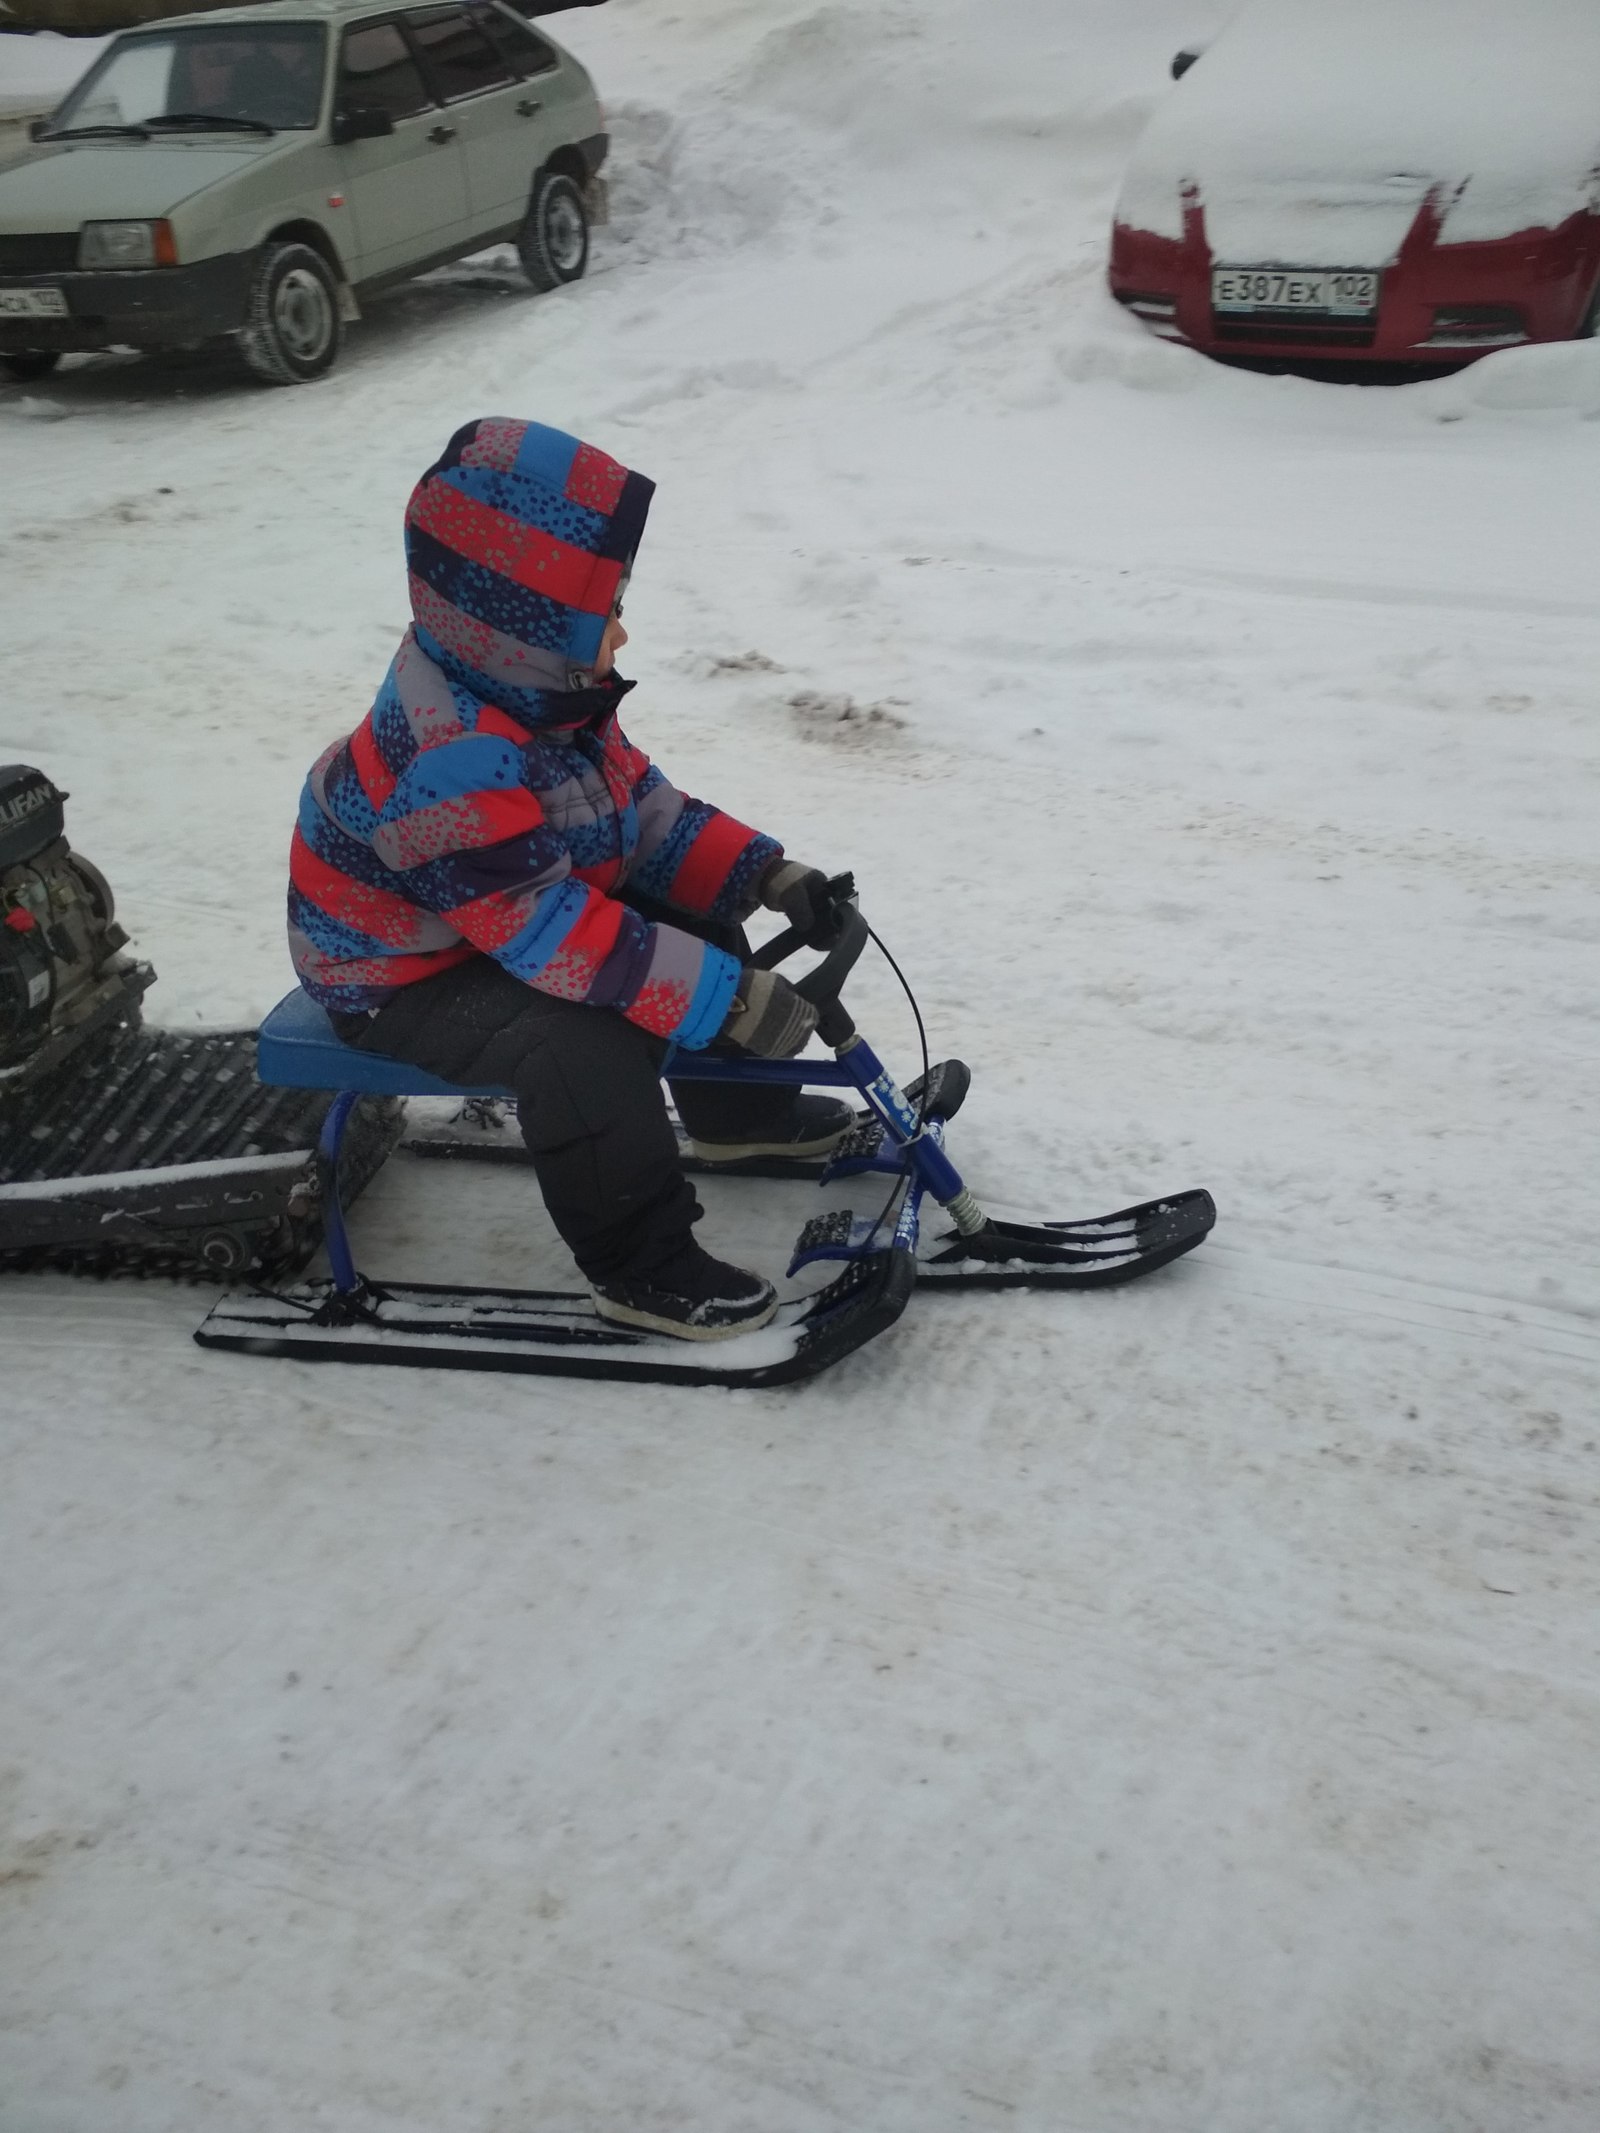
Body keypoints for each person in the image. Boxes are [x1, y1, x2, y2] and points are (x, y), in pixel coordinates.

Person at [289, 417, 852, 1342]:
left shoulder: (545, 698)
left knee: (687, 915)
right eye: (606, 610)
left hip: (493, 917)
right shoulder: (452, 762)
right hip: (396, 973)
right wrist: (728, 1001)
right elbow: (554, 941)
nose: (623, 629)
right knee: (581, 1040)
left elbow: (646, 819)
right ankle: (641, 1267)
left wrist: (763, 874)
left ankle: (742, 1114)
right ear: (522, 622)